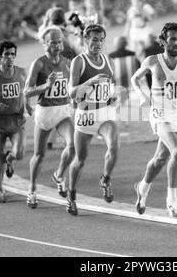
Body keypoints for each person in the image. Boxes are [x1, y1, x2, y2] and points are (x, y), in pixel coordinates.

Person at [131, 22, 177, 217]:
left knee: (160, 159)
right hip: (159, 115)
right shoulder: (152, 61)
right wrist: (142, 95)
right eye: (173, 39)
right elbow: (135, 79)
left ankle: (143, 188)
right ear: (163, 41)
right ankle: (172, 202)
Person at [66, 24, 119, 216]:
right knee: (80, 160)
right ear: (86, 40)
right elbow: (71, 92)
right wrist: (90, 81)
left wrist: (113, 95)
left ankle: (105, 179)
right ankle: (71, 196)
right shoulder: (79, 62)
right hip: (86, 115)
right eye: (95, 40)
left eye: (101, 40)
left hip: (105, 112)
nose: (98, 43)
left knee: (113, 146)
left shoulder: (108, 60)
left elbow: (112, 83)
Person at [24, 26, 75, 208]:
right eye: (52, 42)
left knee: (73, 145)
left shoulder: (68, 63)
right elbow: (27, 91)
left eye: (59, 41)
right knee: (39, 155)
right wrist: (45, 86)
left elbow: (72, 88)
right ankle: (31, 189)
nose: (56, 45)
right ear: (44, 43)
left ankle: (59, 175)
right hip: (45, 112)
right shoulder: (38, 63)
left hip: (62, 111)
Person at [0, 41, 31, 203]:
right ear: (0, 56)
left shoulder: (22, 73)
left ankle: (11, 160)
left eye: (12, 54)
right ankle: (0, 190)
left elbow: (26, 92)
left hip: (16, 120)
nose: (10, 57)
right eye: (6, 54)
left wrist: (28, 106)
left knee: (20, 154)